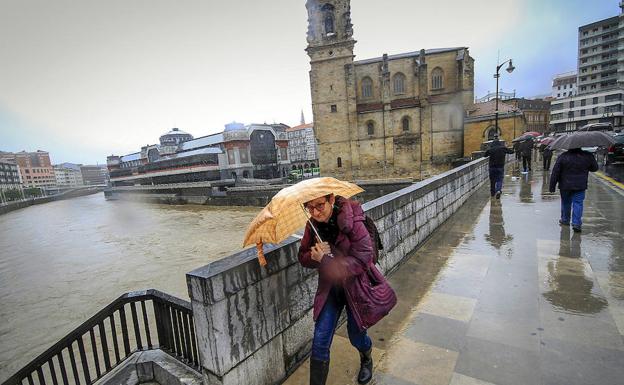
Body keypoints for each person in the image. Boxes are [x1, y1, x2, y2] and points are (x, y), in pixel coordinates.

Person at [298, 193, 375, 385]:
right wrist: (314, 255)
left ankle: (366, 357)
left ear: (331, 200)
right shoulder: (312, 226)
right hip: (331, 288)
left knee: (356, 335)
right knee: (320, 340)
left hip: (355, 287)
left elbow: (364, 257)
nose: (315, 212)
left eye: (320, 205)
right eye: (310, 207)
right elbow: (302, 256)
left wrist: (325, 260)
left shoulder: (353, 220)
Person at [549, 148, 599, 232]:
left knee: (566, 203)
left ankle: (565, 219)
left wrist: (552, 186)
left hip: (565, 185)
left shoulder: (563, 156)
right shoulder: (587, 156)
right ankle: (576, 223)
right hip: (580, 185)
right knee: (578, 203)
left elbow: (555, 172)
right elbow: (595, 168)